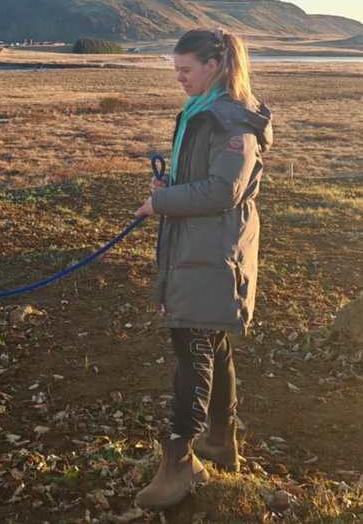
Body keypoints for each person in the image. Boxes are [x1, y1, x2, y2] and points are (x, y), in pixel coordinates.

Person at [133, 27, 273, 510]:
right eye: (175, 71)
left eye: (185, 71)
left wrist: (160, 201)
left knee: (191, 348)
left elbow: (223, 191)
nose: (179, 80)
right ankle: (220, 441)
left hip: (213, 254)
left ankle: (181, 460)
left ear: (213, 67)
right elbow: (207, 181)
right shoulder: (202, 114)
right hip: (198, 248)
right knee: (210, 342)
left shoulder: (230, 124)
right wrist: (170, 183)